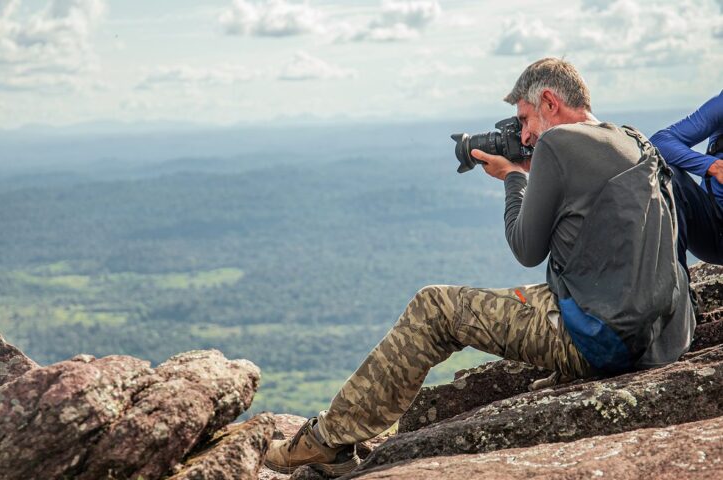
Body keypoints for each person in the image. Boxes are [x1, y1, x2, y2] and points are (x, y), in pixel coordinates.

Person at [263, 58, 695, 476]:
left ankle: (326, 441)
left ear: (549, 102)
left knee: (433, 307)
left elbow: (526, 248)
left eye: (525, 119)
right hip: (663, 339)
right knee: (540, 294)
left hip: (605, 342)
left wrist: (514, 178)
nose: (525, 136)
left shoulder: (560, 145)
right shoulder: (633, 141)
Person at [649, 91, 723, 272]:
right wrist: (712, 166)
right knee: (668, 176)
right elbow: (660, 142)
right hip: (714, 228)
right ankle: (677, 292)